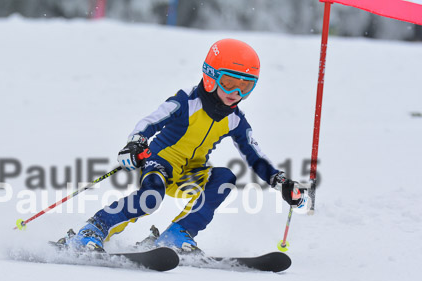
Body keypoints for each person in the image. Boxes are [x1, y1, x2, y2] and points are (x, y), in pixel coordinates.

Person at [62, 38, 304, 252]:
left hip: (190, 173)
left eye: (246, 85)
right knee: (151, 197)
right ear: (211, 76)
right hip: (160, 163)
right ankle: (94, 229)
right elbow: (150, 122)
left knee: (225, 178)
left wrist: (280, 182)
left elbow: (255, 156)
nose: (236, 91)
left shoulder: (235, 119)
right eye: (229, 82)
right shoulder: (187, 101)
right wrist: (135, 143)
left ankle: (176, 234)